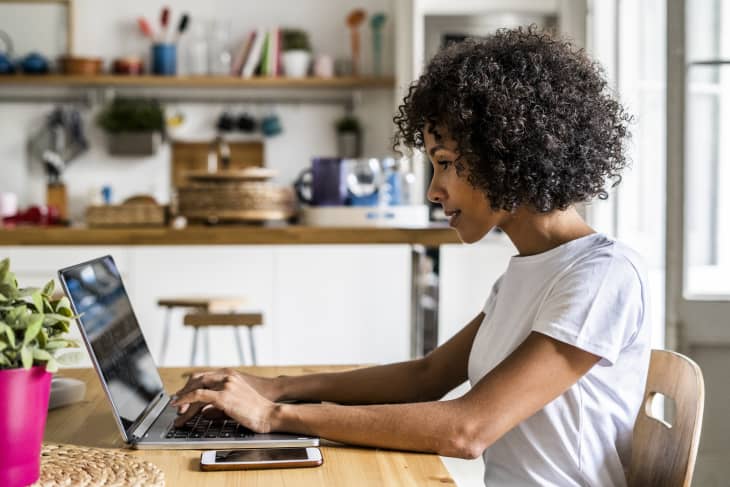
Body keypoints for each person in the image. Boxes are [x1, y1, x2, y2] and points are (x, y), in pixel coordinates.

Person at [172, 26, 650, 487]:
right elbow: (426, 377)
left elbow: (468, 430)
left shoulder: (601, 277)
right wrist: (274, 387)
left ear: (506, 155)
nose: (434, 190)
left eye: (444, 164)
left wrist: (276, 416)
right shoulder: (525, 274)